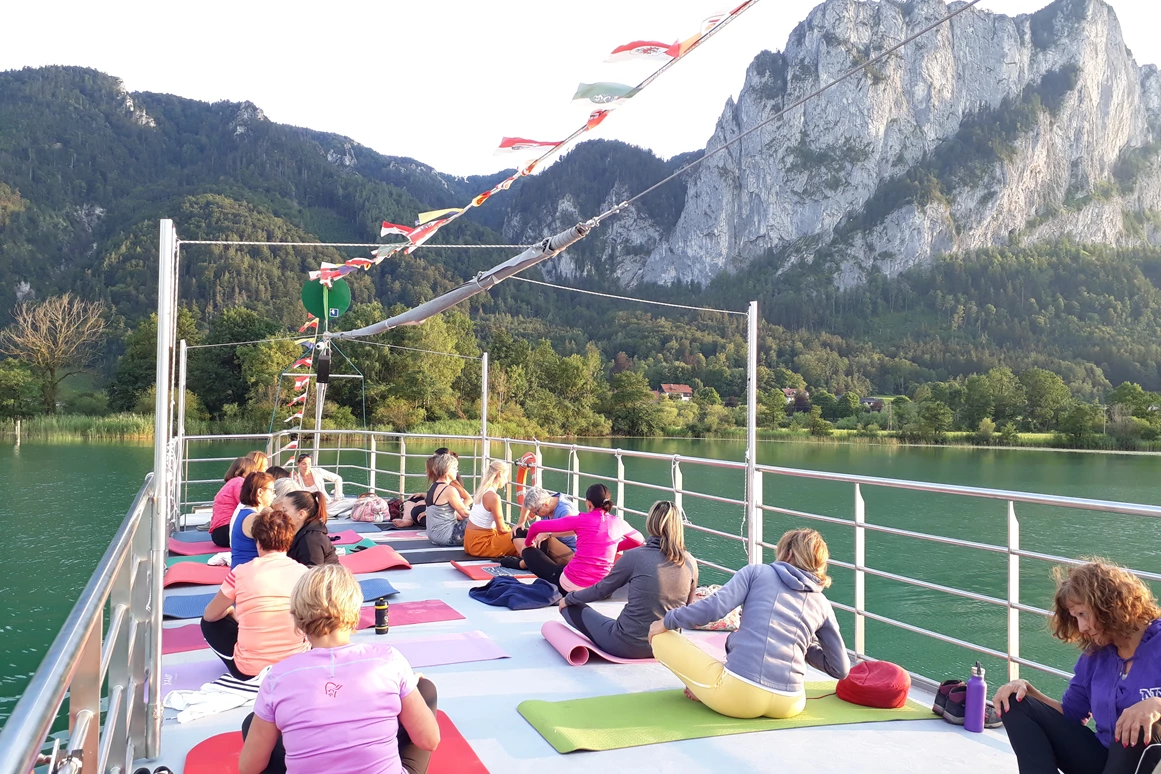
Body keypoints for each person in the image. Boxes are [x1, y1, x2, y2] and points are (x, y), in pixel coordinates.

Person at [238, 565, 441, 774]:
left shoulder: (277, 678)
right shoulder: (389, 660)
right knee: (424, 689)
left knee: (255, 722)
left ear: (298, 616)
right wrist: (406, 686)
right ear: (355, 611)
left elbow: (248, 767)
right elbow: (429, 740)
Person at [647, 527, 849, 720]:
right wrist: (800, 645)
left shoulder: (756, 573)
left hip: (738, 696)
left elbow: (713, 609)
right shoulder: (822, 604)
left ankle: (706, 690)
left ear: (788, 554)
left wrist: (667, 621)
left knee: (662, 638)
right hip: (791, 703)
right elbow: (840, 668)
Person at [994, 560, 1161, 774]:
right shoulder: (1095, 655)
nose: (1081, 627)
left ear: (1110, 606)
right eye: (1075, 618)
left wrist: (1156, 704)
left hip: (1150, 762)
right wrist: (1027, 692)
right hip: (1103, 757)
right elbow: (1071, 714)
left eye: (1083, 614)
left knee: (1135, 729)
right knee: (1014, 703)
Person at [559, 500, 698, 659]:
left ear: (650, 523)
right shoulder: (690, 562)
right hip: (667, 647)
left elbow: (601, 590)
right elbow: (686, 608)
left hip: (628, 645)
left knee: (571, 608)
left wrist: (570, 598)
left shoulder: (635, 556)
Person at [200, 510, 309, 680]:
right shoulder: (304, 573)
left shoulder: (240, 572)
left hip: (249, 671)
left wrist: (230, 611)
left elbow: (210, 615)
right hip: (296, 666)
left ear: (257, 542)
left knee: (208, 623)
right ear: (290, 539)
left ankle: (246, 658)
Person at [520, 483, 643, 593]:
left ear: (588, 503)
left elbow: (535, 527)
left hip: (571, 586)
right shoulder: (619, 522)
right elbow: (639, 540)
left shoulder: (580, 520)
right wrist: (614, 548)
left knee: (528, 553)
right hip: (603, 590)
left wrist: (528, 543)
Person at [463, 461, 519, 558]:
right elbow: (501, 529)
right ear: (499, 474)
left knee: (512, 531)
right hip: (481, 545)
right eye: (506, 477)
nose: (506, 481)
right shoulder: (493, 497)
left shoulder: (482, 491)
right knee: (521, 537)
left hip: (469, 542)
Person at [280, 489, 337, 567]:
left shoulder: (310, 540)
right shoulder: (301, 531)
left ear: (301, 514)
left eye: (285, 510)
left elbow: (314, 574)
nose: (280, 514)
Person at [230, 472, 276, 569]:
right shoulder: (254, 518)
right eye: (272, 491)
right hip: (248, 574)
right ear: (260, 492)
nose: (274, 495)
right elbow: (273, 549)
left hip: (241, 571)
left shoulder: (244, 513)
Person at [210, 456, 258, 547]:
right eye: (253, 471)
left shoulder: (231, 483)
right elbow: (246, 503)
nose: (256, 473)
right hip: (225, 532)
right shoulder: (239, 482)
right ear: (244, 472)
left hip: (219, 532)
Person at [424, 453, 471, 547]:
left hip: (433, 536)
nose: (457, 471)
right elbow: (464, 514)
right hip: (447, 537)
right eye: (455, 468)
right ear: (447, 470)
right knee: (476, 518)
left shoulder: (433, 486)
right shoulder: (449, 490)